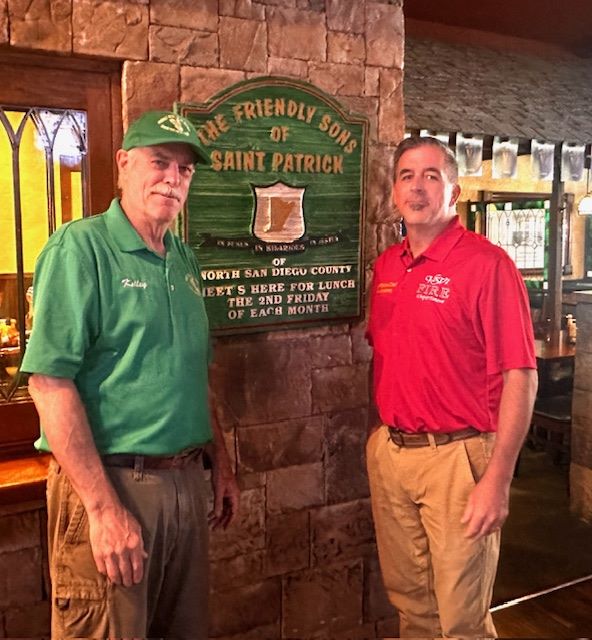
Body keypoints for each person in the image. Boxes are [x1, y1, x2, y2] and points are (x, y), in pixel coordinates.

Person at [21, 110, 240, 640]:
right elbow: (49, 382)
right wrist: (103, 510)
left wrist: (221, 462)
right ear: (123, 164)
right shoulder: (81, 248)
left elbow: (193, 370)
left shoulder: (182, 259)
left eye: (185, 170)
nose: (172, 178)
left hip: (184, 484)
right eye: (159, 162)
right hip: (113, 484)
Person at [365, 135, 537, 637]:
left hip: (458, 460)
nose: (417, 187)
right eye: (407, 176)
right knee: (411, 605)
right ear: (394, 191)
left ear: (454, 191)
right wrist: (380, 442)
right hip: (393, 453)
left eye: (431, 176)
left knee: (461, 618)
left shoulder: (487, 265)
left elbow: (521, 376)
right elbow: (388, 358)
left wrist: (498, 479)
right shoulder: (387, 267)